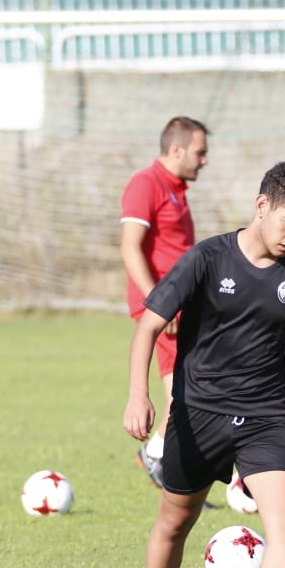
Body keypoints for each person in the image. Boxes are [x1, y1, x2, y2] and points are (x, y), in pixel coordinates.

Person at [121, 160, 285, 568]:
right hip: (199, 413)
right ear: (262, 207)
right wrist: (138, 396)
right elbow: (148, 327)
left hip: (265, 415)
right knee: (175, 520)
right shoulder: (207, 259)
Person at [119, 117, 210, 489]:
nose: (204, 160)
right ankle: (161, 459)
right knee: (187, 393)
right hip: (163, 309)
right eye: (200, 152)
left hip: (180, 306)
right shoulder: (146, 183)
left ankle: (172, 466)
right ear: (176, 150)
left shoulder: (176, 189)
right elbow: (130, 247)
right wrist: (161, 302)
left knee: (194, 389)